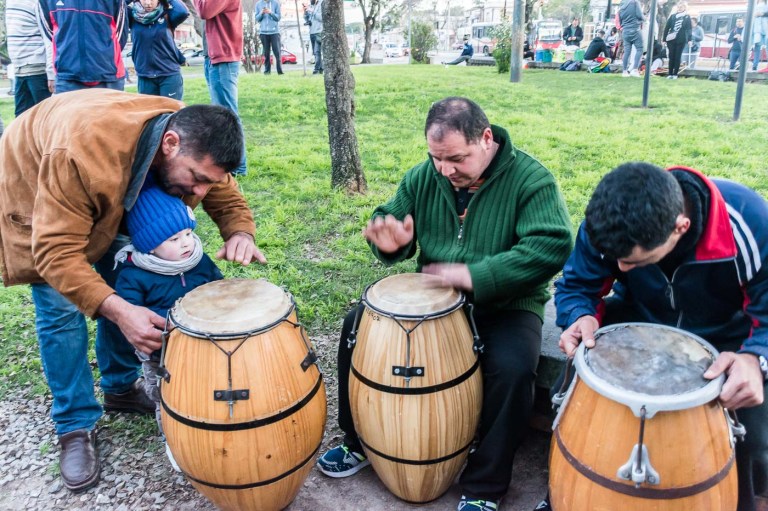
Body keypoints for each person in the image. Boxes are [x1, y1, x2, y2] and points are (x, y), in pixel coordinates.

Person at [0, 89, 267, 493]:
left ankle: (121, 388)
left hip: (99, 176)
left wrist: (240, 231)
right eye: (195, 180)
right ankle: (74, 425)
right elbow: (55, 252)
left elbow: (222, 187)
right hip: (37, 177)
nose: (198, 195)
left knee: (119, 285)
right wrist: (119, 311)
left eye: (205, 184)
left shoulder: (191, 131)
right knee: (62, 308)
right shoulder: (81, 152)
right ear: (170, 144)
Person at [315, 97, 573, 511]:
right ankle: (359, 440)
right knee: (354, 327)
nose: (445, 170)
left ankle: (486, 485)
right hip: (431, 301)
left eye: (456, 158)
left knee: (514, 367)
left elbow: (551, 246)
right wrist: (390, 240)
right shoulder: (424, 176)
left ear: (486, 139)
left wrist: (477, 276)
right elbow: (392, 215)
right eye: (436, 158)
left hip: (506, 304)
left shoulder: (531, 180)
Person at [550, 162, 768, 511]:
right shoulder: (605, 220)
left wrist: (756, 356)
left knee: (756, 435)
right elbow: (577, 284)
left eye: (636, 261)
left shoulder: (747, 221)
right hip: (642, 322)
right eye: (616, 259)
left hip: (729, 337)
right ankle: (563, 492)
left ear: (680, 228)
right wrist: (580, 314)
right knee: (574, 383)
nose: (621, 268)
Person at [115, 186, 223, 470]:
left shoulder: (198, 260)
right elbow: (132, 317)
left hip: (202, 342)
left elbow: (218, 286)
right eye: (174, 239)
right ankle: (174, 439)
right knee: (167, 396)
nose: (186, 243)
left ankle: (211, 427)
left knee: (206, 386)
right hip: (160, 355)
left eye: (188, 233)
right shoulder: (133, 275)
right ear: (150, 245)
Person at [193, 0, 247, 176]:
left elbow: (204, 11)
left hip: (223, 58)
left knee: (228, 115)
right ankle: (228, 163)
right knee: (221, 115)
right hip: (213, 56)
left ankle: (238, 167)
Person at [38, 0, 128, 93]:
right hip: (67, 77)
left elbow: (121, 33)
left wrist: (103, 56)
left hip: (109, 77)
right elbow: (50, 32)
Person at [128, 0, 190, 100]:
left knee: (171, 114)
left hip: (169, 74)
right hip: (145, 75)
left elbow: (183, 11)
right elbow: (117, 6)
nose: (148, 3)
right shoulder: (131, 16)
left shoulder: (168, 15)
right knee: (149, 114)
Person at [5, 0, 53, 115]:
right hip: (19, 69)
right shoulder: (9, 4)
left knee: (43, 117)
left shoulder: (37, 3)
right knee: (20, 119)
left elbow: (49, 37)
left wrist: (51, 73)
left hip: (37, 69)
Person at [663, 1, 692, 79]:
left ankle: (675, 74)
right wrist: (664, 39)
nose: (679, 8)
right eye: (678, 7)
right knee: (671, 56)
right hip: (671, 39)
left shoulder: (687, 17)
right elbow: (667, 28)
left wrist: (690, 39)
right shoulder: (672, 16)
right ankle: (670, 74)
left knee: (677, 56)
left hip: (681, 39)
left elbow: (689, 29)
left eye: (681, 7)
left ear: (685, 8)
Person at [255, 0, 283, 75]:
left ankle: (280, 72)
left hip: (274, 32)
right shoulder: (258, 4)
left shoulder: (276, 3)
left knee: (277, 53)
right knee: (266, 53)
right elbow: (257, 18)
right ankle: (267, 71)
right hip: (263, 33)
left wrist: (270, 12)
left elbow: (278, 17)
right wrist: (261, 13)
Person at [619, 0, 645, 76]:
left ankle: (624, 71)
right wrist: (644, 18)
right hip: (635, 30)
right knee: (639, 49)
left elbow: (620, 21)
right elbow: (640, 15)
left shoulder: (622, 5)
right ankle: (635, 69)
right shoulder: (635, 2)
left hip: (625, 31)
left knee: (627, 51)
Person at [303, 0, 324, 74]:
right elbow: (306, 19)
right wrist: (305, 12)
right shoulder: (311, 5)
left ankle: (316, 70)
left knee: (317, 51)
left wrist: (312, 11)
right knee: (315, 53)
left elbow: (322, 18)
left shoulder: (322, 3)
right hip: (312, 31)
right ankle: (321, 69)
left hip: (319, 31)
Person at [753, 0, 768, 72]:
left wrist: (761, 13)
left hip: (765, 26)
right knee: (758, 45)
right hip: (759, 27)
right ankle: (755, 65)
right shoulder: (756, 3)